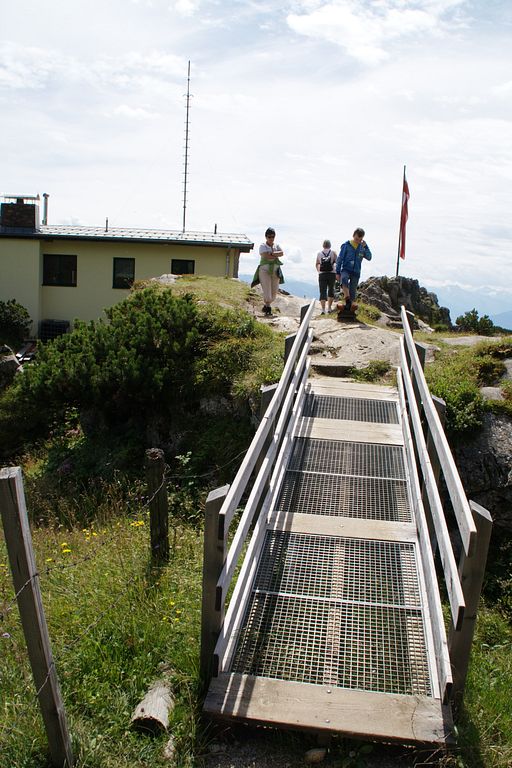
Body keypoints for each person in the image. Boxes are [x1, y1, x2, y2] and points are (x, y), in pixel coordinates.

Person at [335, 228, 372, 311]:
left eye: (360, 240)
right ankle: (347, 300)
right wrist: (337, 272)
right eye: (356, 239)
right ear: (353, 235)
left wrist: (366, 247)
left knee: (353, 291)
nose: (358, 241)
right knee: (344, 279)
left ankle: (349, 309)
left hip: (356, 272)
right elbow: (340, 259)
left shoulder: (362, 247)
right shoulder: (346, 245)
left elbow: (369, 257)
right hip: (346, 269)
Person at [251, 227, 285, 315]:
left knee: (274, 293)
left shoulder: (276, 245)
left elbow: (281, 253)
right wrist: (275, 254)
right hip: (264, 271)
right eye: (269, 236)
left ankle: (266, 307)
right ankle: (268, 307)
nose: (271, 238)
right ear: (266, 237)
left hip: (275, 271)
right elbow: (265, 255)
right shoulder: (262, 246)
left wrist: (272, 253)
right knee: (267, 292)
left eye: (273, 236)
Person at [316, 239, 337, 314]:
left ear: (323, 245)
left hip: (322, 274)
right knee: (331, 290)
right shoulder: (333, 252)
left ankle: (323, 309)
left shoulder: (319, 253)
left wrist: (319, 271)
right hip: (332, 274)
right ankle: (329, 308)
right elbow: (337, 262)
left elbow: (317, 264)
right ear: (330, 245)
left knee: (322, 291)